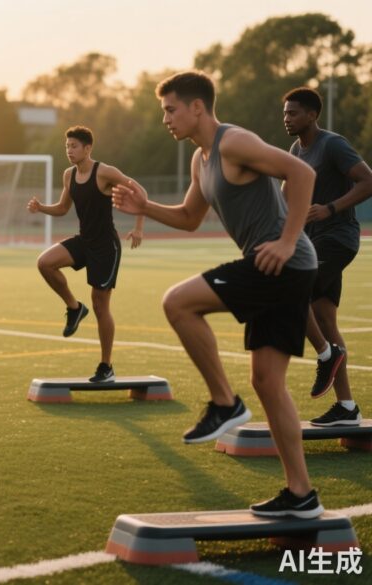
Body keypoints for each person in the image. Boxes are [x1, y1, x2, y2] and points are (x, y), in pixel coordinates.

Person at [112, 71, 323, 518]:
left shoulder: (234, 142)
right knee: (268, 383)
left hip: (282, 264)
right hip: (277, 268)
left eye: (171, 109)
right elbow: (190, 217)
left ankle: (225, 403)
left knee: (178, 302)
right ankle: (301, 494)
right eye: (163, 111)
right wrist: (144, 207)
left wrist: (288, 241)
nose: (166, 119)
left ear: (197, 107)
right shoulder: (200, 159)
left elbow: (302, 172)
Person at [282, 87, 372, 426]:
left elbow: (368, 181)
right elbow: (287, 191)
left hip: (337, 238)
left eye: (293, 113)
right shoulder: (296, 149)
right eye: (285, 113)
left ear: (312, 115)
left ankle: (325, 354)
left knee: (292, 288)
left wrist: (330, 208)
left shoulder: (332, 144)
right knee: (324, 318)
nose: (286, 118)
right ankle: (347, 408)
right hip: (313, 241)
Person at [28, 126, 145, 382]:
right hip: (85, 240)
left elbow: (139, 192)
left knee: (101, 305)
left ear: (87, 148)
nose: (69, 151)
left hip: (106, 246)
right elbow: (62, 208)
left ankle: (106, 366)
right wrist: (41, 207)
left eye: (74, 146)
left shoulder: (105, 172)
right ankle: (74, 307)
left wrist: (138, 228)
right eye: (67, 146)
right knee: (45, 263)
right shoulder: (68, 175)